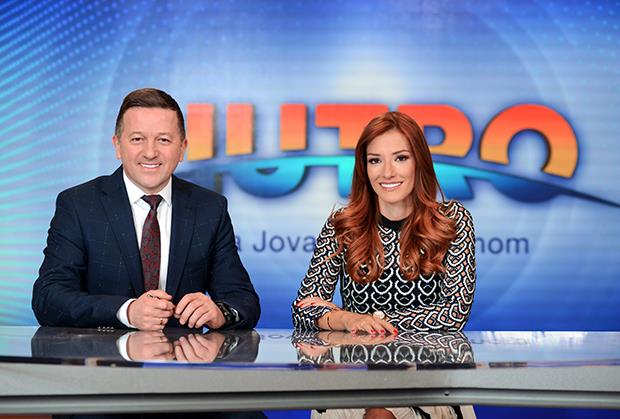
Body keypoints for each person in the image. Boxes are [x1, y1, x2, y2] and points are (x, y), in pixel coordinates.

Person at [292, 111, 476, 419]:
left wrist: (368, 321)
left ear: (419, 162)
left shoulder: (452, 220)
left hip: (428, 376)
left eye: (400, 158)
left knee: (382, 411)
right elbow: (304, 309)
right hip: (357, 373)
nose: (387, 172)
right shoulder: (343, 225)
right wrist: (348, 319)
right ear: (364, 168)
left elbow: (454, 313)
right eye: (375, 160)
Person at [32, 88, 260, 332]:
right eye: (137, 139)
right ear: (117, 145)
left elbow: (243, 300)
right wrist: (127, 311)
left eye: (164, 140)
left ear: (182, 148)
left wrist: (219, 312)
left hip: (183, 355)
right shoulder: (79, 204)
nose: (150, 152)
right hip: (103, 353)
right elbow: (48, 298)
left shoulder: (210, 208)